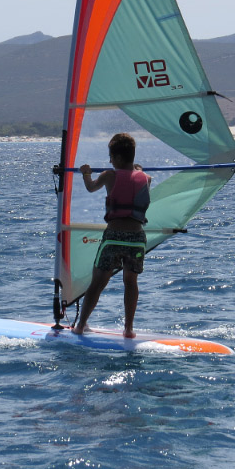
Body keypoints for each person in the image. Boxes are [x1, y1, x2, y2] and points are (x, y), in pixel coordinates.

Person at [72, 133, 151, 338]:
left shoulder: (109, 175)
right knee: (131, 282)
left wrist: (86, 173)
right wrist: (138, 169)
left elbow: (91, 188)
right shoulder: (146, 178)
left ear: (116, 158)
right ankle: (128, 329)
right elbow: (137, 174)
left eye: (111, 157)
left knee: (98, 282)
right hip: (136, 239)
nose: (109, 161)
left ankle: (80, 326)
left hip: (114, 236)